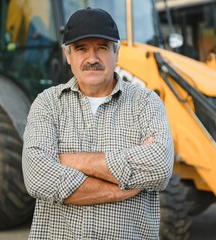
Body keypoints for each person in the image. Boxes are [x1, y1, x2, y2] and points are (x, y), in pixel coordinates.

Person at [22, 7, 174, 239]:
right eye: (81, 49)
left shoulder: (146, 102)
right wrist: (123, 188)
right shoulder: (47, 103)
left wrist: (69, 160)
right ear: (68, 55)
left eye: (101, 48)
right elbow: (37, 177)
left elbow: (160, 167)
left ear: (117, 52)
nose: (92, 59)